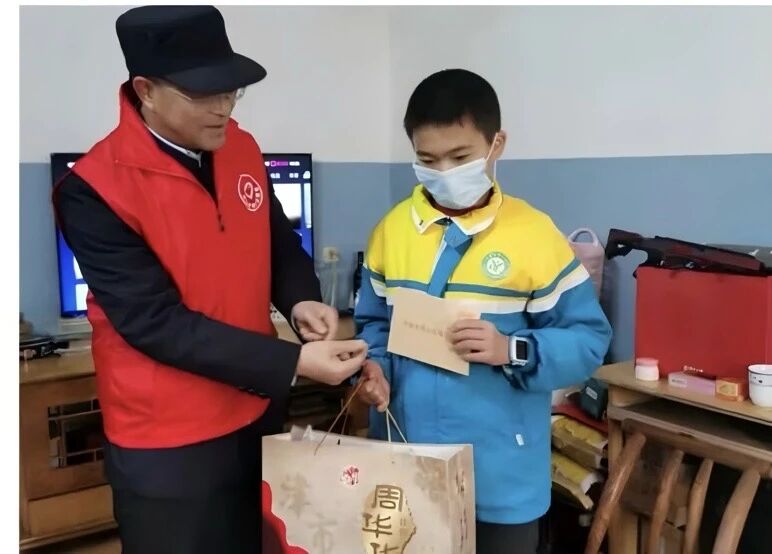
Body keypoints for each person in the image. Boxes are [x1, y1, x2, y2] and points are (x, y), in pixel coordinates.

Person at [53, 6, 367, 553]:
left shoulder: (239, 148)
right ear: (146, 90)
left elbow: (276, 241)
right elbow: (156, 323)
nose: (223, 107)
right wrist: (293, 362)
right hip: (168, 441)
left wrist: (300, 301)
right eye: (203, 94)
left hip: (256, 410)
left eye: (231, 91)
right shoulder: (94, 190)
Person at [354, 69, 612, 554]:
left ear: (497, 144)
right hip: (405, 462)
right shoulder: (391, 232)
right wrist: (373, 370)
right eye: (427, 160)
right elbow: (374, 325)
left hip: (499, 475)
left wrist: (510, 348)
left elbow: (587, 338)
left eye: (459, 157)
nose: (444, 172)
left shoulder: (534, 235)